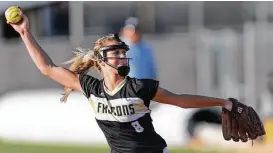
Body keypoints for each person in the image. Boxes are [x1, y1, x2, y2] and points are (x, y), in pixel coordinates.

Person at [8, 10, 237, 153]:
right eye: (115, 54)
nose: (121, 58)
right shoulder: (92, 88)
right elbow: (47, 68)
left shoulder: (138, 87)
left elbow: (180, 101)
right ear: (100, 61)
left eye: (122, 53)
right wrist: (25, 33)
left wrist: (222, 103)